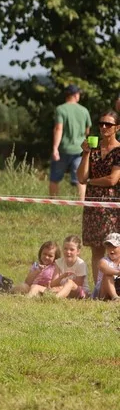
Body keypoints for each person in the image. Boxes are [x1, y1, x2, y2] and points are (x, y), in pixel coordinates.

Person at [76, 109, 120, 283]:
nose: (103, 127)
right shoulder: (93, 150)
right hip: (93, 203)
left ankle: (114, 287)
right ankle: (98, 288)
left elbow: (112, 180)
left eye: (108, 124)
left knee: (114, 247)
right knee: (96, 249)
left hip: (112, 204)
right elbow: (81, 177)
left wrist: (91, 181)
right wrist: (86, 153)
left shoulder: (119, 151)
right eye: (101, 123)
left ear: (117, 127)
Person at [51, 84, 91, 199]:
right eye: (78, 93)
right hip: (79, 149)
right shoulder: (84, 110)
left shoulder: (60, 109)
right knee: (80, 179)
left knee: (55, 178)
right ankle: (82, 204)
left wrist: (55, 148)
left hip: (63, 149)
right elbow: (87, 131)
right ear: (74, 95)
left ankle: (53, 202)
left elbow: (58, 129)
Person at [94, 233, 120, 301]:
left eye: (114, 247)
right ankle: (115, 297)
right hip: (103, 293)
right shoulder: (103, 261)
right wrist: (118, 272)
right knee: (107, 275)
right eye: (108, 247)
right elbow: (105, 269)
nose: (111, 250)